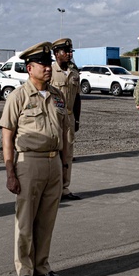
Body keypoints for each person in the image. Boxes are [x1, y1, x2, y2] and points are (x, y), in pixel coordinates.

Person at [1, 42, 72, 276]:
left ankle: (42, 265)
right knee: (25, 220)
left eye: (48, 63)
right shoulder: (18, 96)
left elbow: (63, 130)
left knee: (46, 219)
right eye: (42, 64)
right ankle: (25, 270)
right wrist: (10, 172)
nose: (47, 67)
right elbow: (7, 136)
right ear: (29, 68)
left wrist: (64, 165)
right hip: (28, 162)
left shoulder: (57, 95)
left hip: (53, 162)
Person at [50, 37, 82, 200]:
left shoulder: (74, 72)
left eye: (70, 51)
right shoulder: (49, 71)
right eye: (66, 51)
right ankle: (51, 187)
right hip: (53, 118)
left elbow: (77, 98)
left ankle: (64, 187)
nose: (69, 54)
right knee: (53, 153)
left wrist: (76, 119)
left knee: (67, 153)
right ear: (56, 54)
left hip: (69, 117)